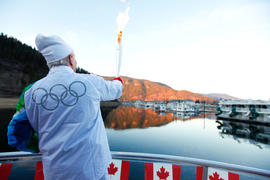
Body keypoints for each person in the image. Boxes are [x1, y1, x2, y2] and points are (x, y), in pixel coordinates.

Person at [7, 34, 123, 180]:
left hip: (55, 172)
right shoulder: (89, 82)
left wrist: (40, 146)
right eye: (74, 57)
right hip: (92, 171)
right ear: (70, 58)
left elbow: (17, 134)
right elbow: (116, 90)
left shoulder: (31, 93)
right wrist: (118, 81)